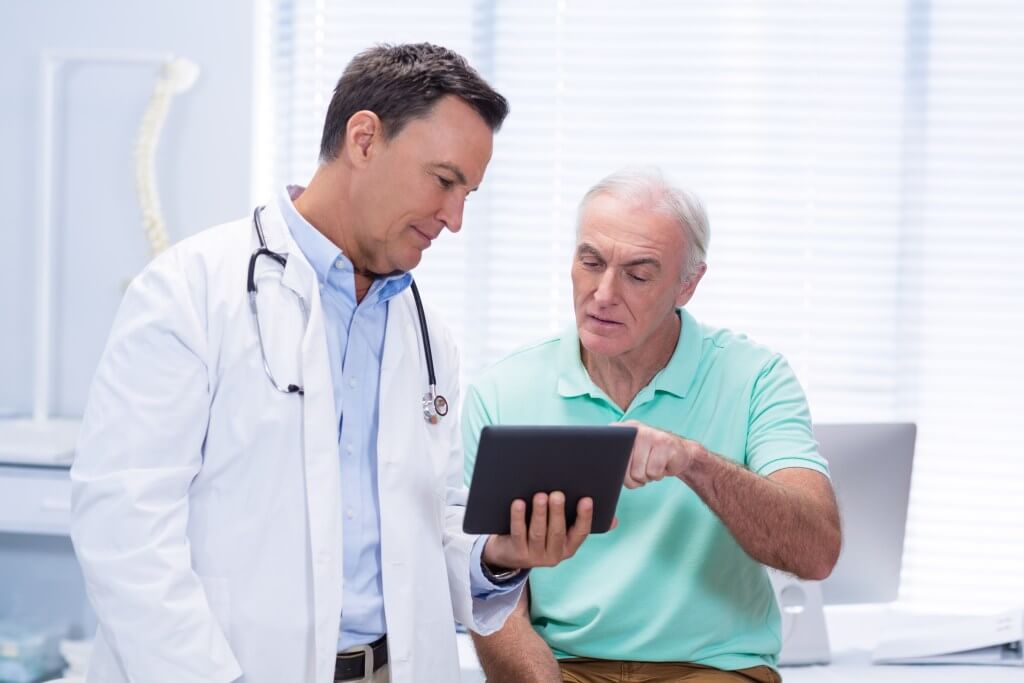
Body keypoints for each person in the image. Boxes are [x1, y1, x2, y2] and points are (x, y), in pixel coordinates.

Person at [70, 43, 594, 683]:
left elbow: (427, 518)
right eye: (444, 180)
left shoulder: (427, 336)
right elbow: (125, 532)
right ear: (365, 138)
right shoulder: (190, 291)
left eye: (469, 194)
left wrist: (499, 555)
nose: (455, 219)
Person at [463, 168, 842, 682]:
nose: (602, 293)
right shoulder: (501, 390)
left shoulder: (755, 377)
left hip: (710, 669)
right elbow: (487, 594)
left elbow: (816, 552)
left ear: (688, 284)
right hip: (564, 667)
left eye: (638, 274)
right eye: (590, 262)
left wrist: (694, 462)